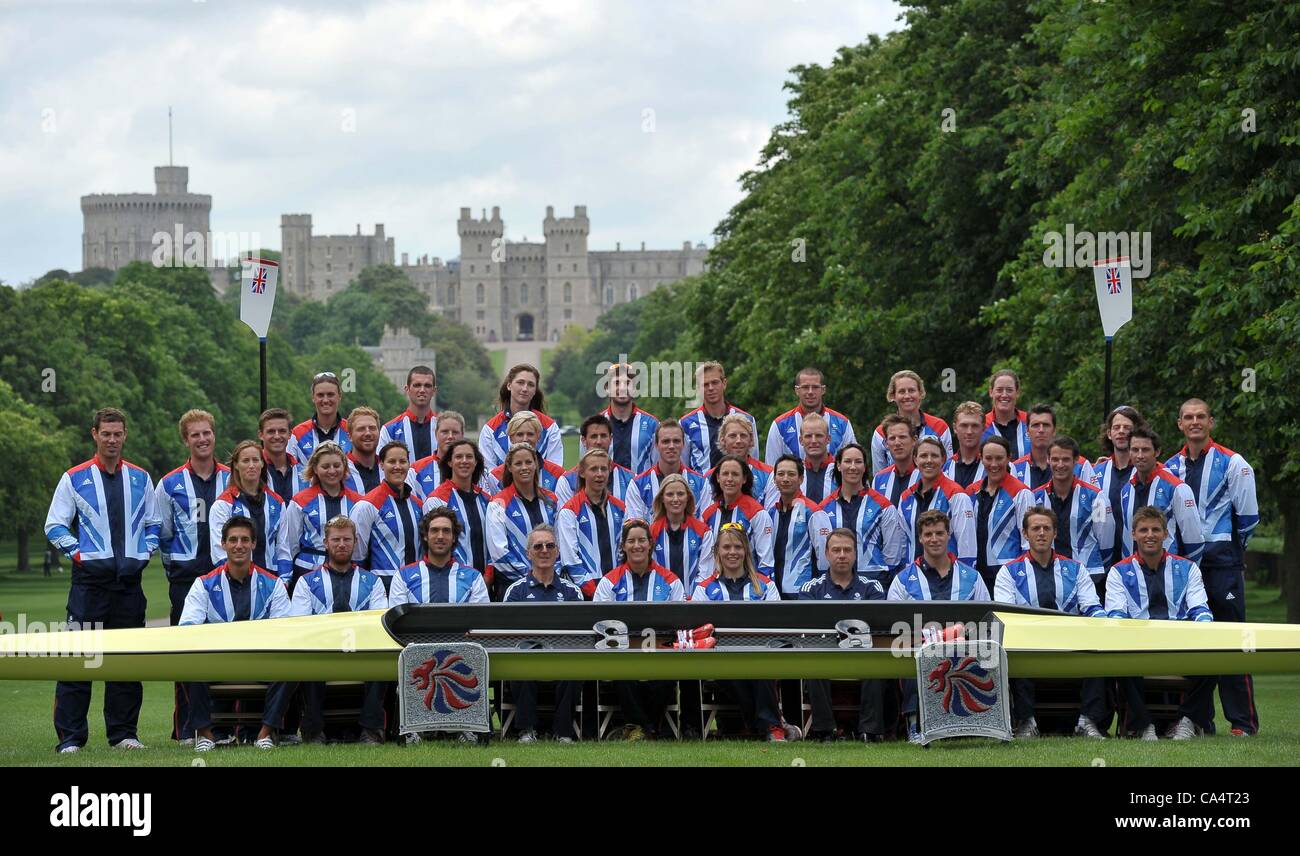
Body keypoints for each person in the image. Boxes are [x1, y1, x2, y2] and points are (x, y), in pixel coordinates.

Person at [45, 407, 160, 753]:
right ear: (94, 433)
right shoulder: (74, 477)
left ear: (125, 435)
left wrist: (146, 549)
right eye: (106, 433)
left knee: (125, 661)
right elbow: (54, 525)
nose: (112, 440)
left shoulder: (140, 478)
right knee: (79, 660)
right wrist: (79, 554)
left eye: (118, 433)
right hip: (89, 586)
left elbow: (154, 523)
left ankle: (124, 734)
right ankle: (71, 738)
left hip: (128, 585)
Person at [1163, 398, 1260, 736]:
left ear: (1211, 422)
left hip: (1222, 565)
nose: (1194, 422)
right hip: (1186, 568)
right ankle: (1198, 719)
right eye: (1188, 417)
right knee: (1196, 644)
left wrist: (1228, 551)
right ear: (1179, 424)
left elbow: (1248, 518)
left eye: (1201, 417)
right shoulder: (1170, 466)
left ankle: (1243, 722)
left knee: (1233, 640)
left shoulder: (1233, 463)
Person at [179, 516, 292, 751]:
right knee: (187, 664)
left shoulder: (273, 584)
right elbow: (187, 628)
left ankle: (264, 734)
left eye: (244, 540)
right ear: (223, 544)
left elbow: (284, 631)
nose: (238, 545)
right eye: (233, 540)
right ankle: (207, 736)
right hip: (218, 662)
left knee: (290, 667)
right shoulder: (204, 583)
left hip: (259, 662)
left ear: (253, 544)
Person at [1105, 507, 1217, 740]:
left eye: (1156, 529)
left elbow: (1201, 610)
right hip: (1139, 649)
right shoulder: (1119, 571)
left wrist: (1204, 633)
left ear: (1166, 534)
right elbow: (1115, 616)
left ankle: (1187, 721)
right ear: (1133, 534)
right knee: (1119, 660)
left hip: (1180, 648)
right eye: (1143, 530)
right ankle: (1143, 726)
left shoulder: (1188, 569)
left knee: (1215, 661)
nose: (1150, 535)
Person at [994, 507, 1106, 740]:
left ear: (1055, 533)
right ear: (1025, 534)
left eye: (1047, 528)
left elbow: (1093, 608)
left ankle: (1088, 721)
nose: (1041, 533)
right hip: (1030, 647)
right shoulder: (1009, 572)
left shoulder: (1076, 570)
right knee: (1011, 646)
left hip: (1071, 646)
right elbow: (1006, 615)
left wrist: (1100, 627)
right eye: (1035, 528)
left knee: (1099, 644)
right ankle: (1026, 722)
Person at [155, 409, 230, 742]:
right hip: (186, 578)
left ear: (214, 435)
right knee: (187, 652)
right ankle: (187, 727)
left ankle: (225, 725)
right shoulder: (170, 483)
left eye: (207, 433)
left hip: (226, 575)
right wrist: (177, 566)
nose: (202, 439)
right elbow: (162, 532)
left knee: (227, 652)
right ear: (186, 439)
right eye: (195, 434)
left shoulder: (233, 477)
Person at [888, 510, 991, 743]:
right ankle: (915, 724)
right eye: (928, 534)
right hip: (920, 649)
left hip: (965, 648)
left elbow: (985, 619)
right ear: (920, 538)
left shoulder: (972, 577)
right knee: (918, 653)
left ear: (948, 535)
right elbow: (896, 627)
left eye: (939, 533)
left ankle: (978, 723)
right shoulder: (903, 580)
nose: (934, 539)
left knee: (988, 650)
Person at [288, 516, 389, 744]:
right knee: (307, 658)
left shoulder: (372, 582)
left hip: (363, 653)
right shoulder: (306, 582)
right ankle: (314, 732)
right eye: (336, 539)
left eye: (347, 539)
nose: (341, 544)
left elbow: (379, 623)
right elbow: (300, 626)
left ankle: (371, 730)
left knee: (381, 660)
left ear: (355, 542)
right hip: (322, 653)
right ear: (325, 542)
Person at [690, 524, 787, 742]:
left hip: (760, 654)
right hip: (719, 657)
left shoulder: (765, 586)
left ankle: (766, 727)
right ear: (717, 552)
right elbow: (697, 631)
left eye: (737, 547)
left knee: (760, 668)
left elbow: (777, 624)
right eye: (726, 547)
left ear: (746, 551)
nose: (732, 552)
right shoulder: (704, 589)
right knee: (736, 669)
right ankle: (770, 726)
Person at [594, 518, 685, 741]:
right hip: (622, 653)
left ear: (650, 544)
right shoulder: (609, 582)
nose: (637, 546)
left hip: (661, 653)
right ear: (623, 546)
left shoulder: (671, 581)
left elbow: (680, 623)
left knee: (664, 677)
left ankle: (639, 729)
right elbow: (601, 624)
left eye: (642, 540)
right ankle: (650, 729)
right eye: (631, 541)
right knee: (624, 674)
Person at [799, 528, 887, 742]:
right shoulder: (811, 589)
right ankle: (824, 731)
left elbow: (877, 627)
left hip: (863, 652)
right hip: (826, 652)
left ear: (855, 554)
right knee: (812, 659)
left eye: (847, 550)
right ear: (826, 554)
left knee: (878, 660)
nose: (842, 555)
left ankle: (870, 731)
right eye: (836, 550)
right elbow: (808, 628)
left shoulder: (872, 588)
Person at [502, 526, 584, 743]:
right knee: (521, 659)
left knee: (574, 665)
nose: (544, 550)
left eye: (550, 546)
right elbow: (507, 635)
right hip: (527, 656)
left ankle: (563, 732)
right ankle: (526, 730)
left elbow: (578, 633)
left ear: (557, 552)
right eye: (538, 546)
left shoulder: (571, 591)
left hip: (561, 657)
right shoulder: (515, 591)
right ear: (528, 553)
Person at [811, 443, 906, 585]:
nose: (853, 467)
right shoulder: (823, 509)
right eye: (848, 461)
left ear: (865, 466)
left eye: (858, 462)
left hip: (874, 583)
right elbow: (821, 554)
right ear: (838, 465)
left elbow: (893, 556)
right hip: (835, 585)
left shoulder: (884, 507)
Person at [279, 442, 366, 590]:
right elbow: (290, 544)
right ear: (315, 469)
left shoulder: (358, 502)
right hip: (308, 570)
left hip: (347, 571)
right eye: (325, 467)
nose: (332, 471)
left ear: (344, 467)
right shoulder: (300, 501)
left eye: (337, 465)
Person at [1118, 426, 1204, 564]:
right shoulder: (1126, 490)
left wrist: (1184, 572)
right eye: (1135, 450)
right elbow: (1127, 536)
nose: (1140, 455)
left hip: (1169, 572)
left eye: (1145, 450)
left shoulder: (1177, 488)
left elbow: (1194, 539)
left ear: (1156, 452)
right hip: (1135, 574)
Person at [350, 441, 424, 593]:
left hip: (417, 584)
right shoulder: (367, 505)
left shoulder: (418, 504)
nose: (398, 466)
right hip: (384, 585)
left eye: (403, 461)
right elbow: (357, 555)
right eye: (391, 461)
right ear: (381, 464)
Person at [487, 443, 560, 598]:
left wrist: (550, 574)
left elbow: (560, 542)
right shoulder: (498, 504)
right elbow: (499, 553)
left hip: (551, 583)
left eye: (528, 462)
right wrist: (531, 578)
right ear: (510, 467)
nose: (524, 467)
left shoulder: (551, 500)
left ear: (536, 464)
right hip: (513, 586)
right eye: (518, 463)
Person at [965, 436, 1035, 592]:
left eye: (999, 458)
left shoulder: (1021, 493)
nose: (994, 464)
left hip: (1008, 574)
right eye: (988, 458)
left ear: (1009, 458)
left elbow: (1028, 541)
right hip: (976, 574)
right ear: (981, 458)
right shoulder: (971, 491)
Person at [210, 440, 288, 579]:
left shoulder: (277, 503)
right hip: (237, 582)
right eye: (245, 461)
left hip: (272, 583)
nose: (251, 465)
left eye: (255, 460)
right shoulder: (223, 504)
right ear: (236, 465)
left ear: (262, 463)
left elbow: (283, 549)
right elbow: (219, 553)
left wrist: (283, 581)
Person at [1031, 436, 1106, 577]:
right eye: (1055, 459)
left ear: (1076, 460)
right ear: (1048, 460)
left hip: (1089, 573)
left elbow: (1105, 539)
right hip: (1048, 573)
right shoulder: (1035, 497)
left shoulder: (1096, 497)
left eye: (1065, 459)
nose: (1060, 465)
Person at [557, 449, 627, 597]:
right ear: (582, 473)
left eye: (604, 469)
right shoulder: (569, 511)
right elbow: (570, 560)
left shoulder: (621, 508)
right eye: (594, 469)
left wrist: (618, 587)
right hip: (587, 592)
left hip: (619, 590)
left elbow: (624, 552)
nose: (600, 474)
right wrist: (597, 594)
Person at [897, 437, 976, 567]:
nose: (929, 460)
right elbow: (902, 544)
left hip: (947, 577)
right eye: (923, 456)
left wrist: (963, 579)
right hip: (914, 578)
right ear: (915, 459)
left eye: (934, 456)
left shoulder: (956, 495)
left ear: (943, 459)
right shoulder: (905, 497)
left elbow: (967, 546)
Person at [389, 508, 490, 607]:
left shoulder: (473, 578)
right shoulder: (402, 577)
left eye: (446, 531)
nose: (440, 536)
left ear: (454, 537)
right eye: (434, 530)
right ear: (425, 535)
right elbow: (398, 622)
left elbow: (479, 621)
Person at [423, 439, 493, 578]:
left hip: (485, 582)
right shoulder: (437, 500)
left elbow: (492, 542)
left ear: (476, 462)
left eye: (469, 457)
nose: (464, 461)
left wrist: (489, 576)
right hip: (452, 580)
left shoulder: (486, 500)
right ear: (450, 462)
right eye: (458, 457)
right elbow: (435, 545)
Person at [1091, 405, 1149, 569]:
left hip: (1141, 558)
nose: (1121, 431)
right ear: (1109, 433)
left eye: (1127, 427)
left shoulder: (1147, 470)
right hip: (1104, 560)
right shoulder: (1097, 474)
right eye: (1116, 427)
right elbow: (1095, 517)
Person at [700, 454, 776, 576]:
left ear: (744, 479)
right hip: (716, 589)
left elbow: (766, 563)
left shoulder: (757, 513)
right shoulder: (708, 514)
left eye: (735, 474)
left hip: (748, 587)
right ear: (718, 478)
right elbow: (705, 559)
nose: (729, 479)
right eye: (725, 474)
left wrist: (759, 591)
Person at [764, 367, 856, 465]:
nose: (810, 392)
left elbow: (853, 461)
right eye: (805, 387)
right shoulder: (780, 425)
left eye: (815, 387)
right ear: (797, 390)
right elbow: (772, 468)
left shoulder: (842, 423)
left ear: (823, 390)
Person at [680, 361, 759, 473]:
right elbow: (683, 467)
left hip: (739, 488)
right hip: (702, 489)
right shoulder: (685, 424)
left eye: (715, 382)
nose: (711, 388)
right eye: (705, 384)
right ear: (698, 389)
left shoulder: (746, 419)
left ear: (724, 383)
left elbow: (753, 460)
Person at [480, 363, 563, 470]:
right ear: (509, 385)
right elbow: (488, 475)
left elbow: (556, 471)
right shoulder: (490, 430)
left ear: (535, 390)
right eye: (520, 382)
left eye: (531, 385)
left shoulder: (550, 427)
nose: (525, 388)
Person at [869, 370, 953, 476]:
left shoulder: (940, 427)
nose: (907, 396)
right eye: (902, 391)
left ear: (920, 393)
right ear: (893, 396)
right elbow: (879, 474)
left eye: (912, 390)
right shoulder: (881, 433)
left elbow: (948, 469)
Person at [624, 420, 710, 521]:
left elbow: (706, 525)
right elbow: (635, 528)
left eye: (676, 441)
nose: (671, 446)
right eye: (666, 441)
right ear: (656, 445)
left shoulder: (701, 483)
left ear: (683, 444)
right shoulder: (637, 485)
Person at [649, 474, 715, 595]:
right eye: (670, 494)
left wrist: (693, 599)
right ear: (662, 498)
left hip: (695, 602)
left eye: (680, 494)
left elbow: (706, 572)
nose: (675, 499)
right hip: (661, 601)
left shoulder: (703, 532)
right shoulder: (652, 532)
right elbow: (652, 571)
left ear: (688, 498)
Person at [768, 455, 820, 597]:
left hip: (802, 590)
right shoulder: (770, 513)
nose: (785, 479)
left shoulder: (813, 511)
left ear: (801, 479)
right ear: (774, 479)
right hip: (773, 590)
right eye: (780, 474)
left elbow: (823, 557)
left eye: (791, 474)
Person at [482, 411, 569, 496]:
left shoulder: (558, 474)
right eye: (520, 434)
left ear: (538, 438)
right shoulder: (495, 477)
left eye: (530, 434)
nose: (525, 439)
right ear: (511, 438)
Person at [594, 362, 660, 474]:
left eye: (628, 383)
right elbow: (586, 464)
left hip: (641, 490)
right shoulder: (594, 425)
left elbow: (658, 466)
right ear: (607, 388)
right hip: (606, 490)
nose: (623, 388)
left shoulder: (652, 424)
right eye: (617, 383)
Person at [1010, 404, 1096, 488]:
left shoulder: (1081, 465)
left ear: (1054, 430)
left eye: (1046, 425)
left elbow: (1095, 498)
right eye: (1035, 425)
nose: (1041, 430)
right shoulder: (1016, 469)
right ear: (1027, 431)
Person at [706, 413, 778, 507]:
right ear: (723, 440)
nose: (738, 441)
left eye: (743, 436)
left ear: (751, 440)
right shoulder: (709, 477)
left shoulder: (769, 474)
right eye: (732, 436)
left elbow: (771, 513)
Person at [378, 365, 439, 464]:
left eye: (427, 386)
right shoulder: (390, 430)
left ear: (434, 391)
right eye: (417, 385)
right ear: (407, 389)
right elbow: (381, 467)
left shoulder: (444, 428)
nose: (422, 390)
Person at [287, 371, 351, 463]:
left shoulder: (351, 431)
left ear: (339, 396)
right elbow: (289, 471)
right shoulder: (298, 434)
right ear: (313, 397)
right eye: (320, 395)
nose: (325, 400)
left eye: (330, 394)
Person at [409, 411, 467, 501]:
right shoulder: (416, 470)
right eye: (445, 432)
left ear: (462, 435)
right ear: (436, 434)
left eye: (455, 432)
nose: (450, 436)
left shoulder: (471, 468)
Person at [259, 407, 306, 505]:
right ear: (261, 435)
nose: (276, 436)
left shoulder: (305, 474)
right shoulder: (253, 470)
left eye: (282, 431)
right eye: (271, 431)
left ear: (290, 434)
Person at [872, 414, 921, 506]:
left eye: (902, 437)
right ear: (886, 444)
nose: (897, 443)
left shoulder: (926, 476)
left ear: (914, 440)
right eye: (892, 438)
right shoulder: (879, 479)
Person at [981, 369, 1030, 459]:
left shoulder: (1030, 422)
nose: (1004, 395)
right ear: (991, 392)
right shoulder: (981, 425)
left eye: (1009, 390)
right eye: (999, 390)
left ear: (1017, 393)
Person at [944, 401, 986, 488]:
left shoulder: (994, 466)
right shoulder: (944, 468)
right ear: (955, 428)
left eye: (975, 426)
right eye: (964, 425)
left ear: (983, 428)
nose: (969, 432)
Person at [798, 413, 837, 505]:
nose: (814, 441)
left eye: (819, 435)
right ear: (801, 440)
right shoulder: (795, 473)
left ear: (828, 439)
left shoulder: (842, 471)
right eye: (808, 436)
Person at [344, 406, 383, 495]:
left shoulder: (389, 469)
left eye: (372, 428)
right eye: (361, 429)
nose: (368, 433)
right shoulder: (340, 470)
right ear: (349, 436)